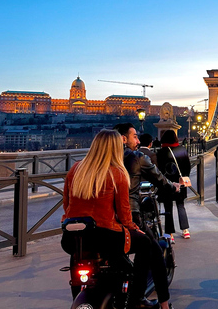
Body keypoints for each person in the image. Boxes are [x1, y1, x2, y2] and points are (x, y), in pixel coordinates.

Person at [60, 130, 174, 309]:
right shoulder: (117, 172)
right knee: (144, 243)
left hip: (71, 238)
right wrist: (134, 228)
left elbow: (66, 205)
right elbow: (124, 213)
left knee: (80, 252)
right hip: (105, 237)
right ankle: (137, 299)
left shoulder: (76, 168)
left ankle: (77, 294)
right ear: (115, 147)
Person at [113, 123, 179, 309]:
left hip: (106, 219)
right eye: (135, 136)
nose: (138, 140)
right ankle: (160, 304)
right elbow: (159, 178)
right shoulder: (136, 157)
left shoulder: (103, 160)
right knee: (153, 251)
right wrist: (173, 186)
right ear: (124, 139)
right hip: (130, 214)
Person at [157, 130, 192, 242]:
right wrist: (184, 178)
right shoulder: (182, 150)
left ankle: (169, 233)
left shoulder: (161, 152)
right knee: (180, 205)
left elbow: (159, 170)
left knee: (168, 207)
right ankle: (185, 230)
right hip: (180, 182)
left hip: (167, 183)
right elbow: (188, 166)